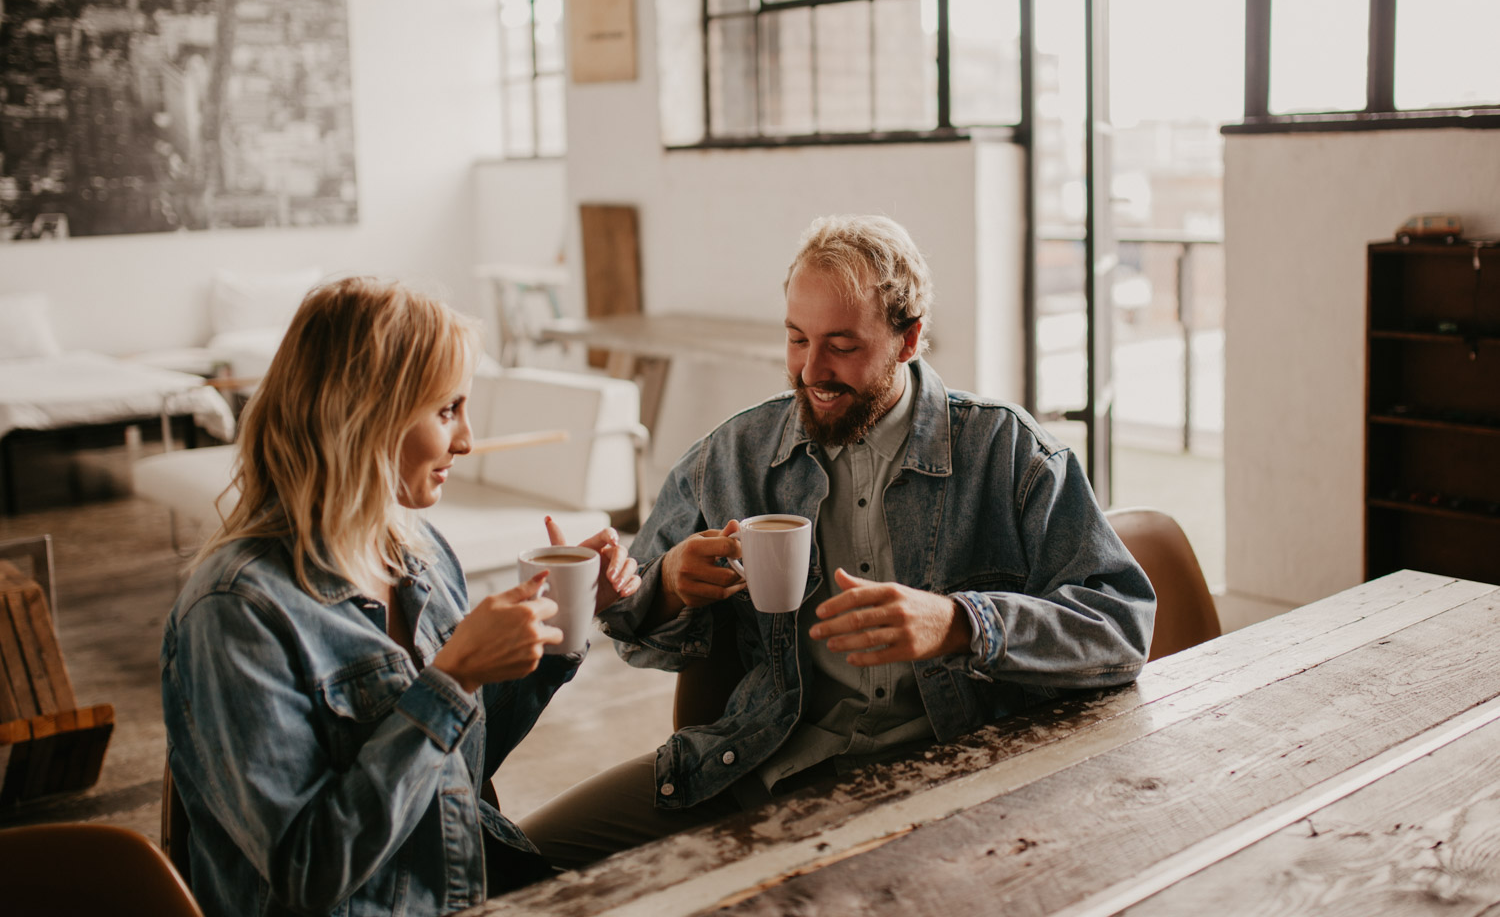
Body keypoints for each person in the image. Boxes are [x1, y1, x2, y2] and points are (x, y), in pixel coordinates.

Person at [521, 215, 1155, 867]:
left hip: (958, 774)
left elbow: (1121, 626)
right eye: (797, 339)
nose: (810, 370)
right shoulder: (730, 457)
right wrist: (666, 589)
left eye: (842, 346)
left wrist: (964, 622)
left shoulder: (1008, 452)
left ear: (908, 339)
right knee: (520, 861)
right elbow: (635, 630)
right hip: (762, 765)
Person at [160, 277, 640, 916]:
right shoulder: (235, 612)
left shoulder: (420, 555)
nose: (465, 441)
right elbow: (306, 872)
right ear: (364, 416)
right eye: (447, 411)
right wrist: (450, 677)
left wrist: (562, 628)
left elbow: (455, 768)